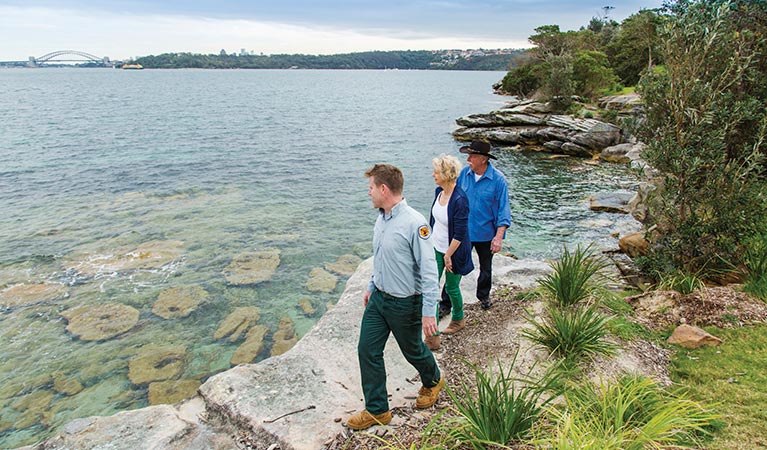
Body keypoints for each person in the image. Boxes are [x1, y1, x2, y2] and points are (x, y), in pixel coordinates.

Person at [347, 163, 445, 431]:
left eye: (370, 188)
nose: (368, 193)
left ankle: (433, 379)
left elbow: (428, 270)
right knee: (367, 350)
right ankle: (378, 410)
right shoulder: (382, 218)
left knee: (412, 350)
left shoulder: (415, 224)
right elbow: (380, 259)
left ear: (383, 188)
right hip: (379, 299)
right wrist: (371, 286)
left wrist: (428, 311)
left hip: (405, 304)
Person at [439, 141, 511, 315]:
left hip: (486, 233)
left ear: (484, 159)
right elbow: (452, 197)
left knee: (486, 268)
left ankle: (483, 296)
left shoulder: (498, 180)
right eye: (468, 155)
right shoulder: (464, 174)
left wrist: (498, 237)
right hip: (463, 233)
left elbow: (504, 210)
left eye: (472, 156)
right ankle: (446, 303)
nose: (468, 159)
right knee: (454, 266)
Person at [424, 154, 474, 351]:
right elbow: (434, 221)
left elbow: (460, 233)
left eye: (436, 171)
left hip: (453, 251)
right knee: (430, 286)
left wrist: (448, 255)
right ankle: (432, 328)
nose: (433, 174)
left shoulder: (460, 199)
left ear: (445, 174)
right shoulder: (439, 191)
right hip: (436, 248)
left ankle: (458, 319)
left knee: (452, 288)